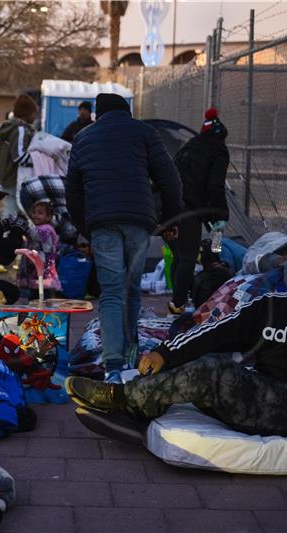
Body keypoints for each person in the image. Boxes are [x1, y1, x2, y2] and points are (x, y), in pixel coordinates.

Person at [66, 243, 287, 440]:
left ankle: (122, 399)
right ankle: (139, 408)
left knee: (214, 371)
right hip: (262, 391)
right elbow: (214, 331)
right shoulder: (269, 307)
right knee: (206, 362)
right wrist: (166, 352)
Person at [66, 93, 183, 384]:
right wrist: (170, 220)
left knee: (111, 292)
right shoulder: (145, 132)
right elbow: (170, 179)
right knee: (131, 289)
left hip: (102, 223)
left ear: (98, 114)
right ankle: (130, 353)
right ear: (126, 112)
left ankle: (113, 366)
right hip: (139, 221)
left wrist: (86, 227)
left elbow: (73, 191)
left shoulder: (83, 138)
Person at [168, 108, 230, 315]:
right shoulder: (219, 150)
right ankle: (177, 306)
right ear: (220, 136)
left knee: (179, 254)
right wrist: (220, 216)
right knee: (187, 256)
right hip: (189, 208)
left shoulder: (189, 146)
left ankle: (177, 299)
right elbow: (215, 186)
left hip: (169, 206)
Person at [0, 94, 38, 218]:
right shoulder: (20, 129)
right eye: (33, 113)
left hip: (4, 176)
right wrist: (39, 159)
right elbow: (19, 156)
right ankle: (9, 236)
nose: (35, 117)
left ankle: (8, 235)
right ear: (27, 114)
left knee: (8, 211)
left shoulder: (5, 128)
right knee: (14, 214)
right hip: (15, 179)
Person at [17, 201, 62, 301]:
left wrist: (22, 225)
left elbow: (35, 234)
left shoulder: (46, 229)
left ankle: (47, 315)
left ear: (48, 217)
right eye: (34, 212)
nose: (35, 215)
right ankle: (36, 315)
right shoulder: (38, 228)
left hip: (43, 272)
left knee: (45, 299)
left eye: (40, 213)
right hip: (35, 271)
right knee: (35, 298)